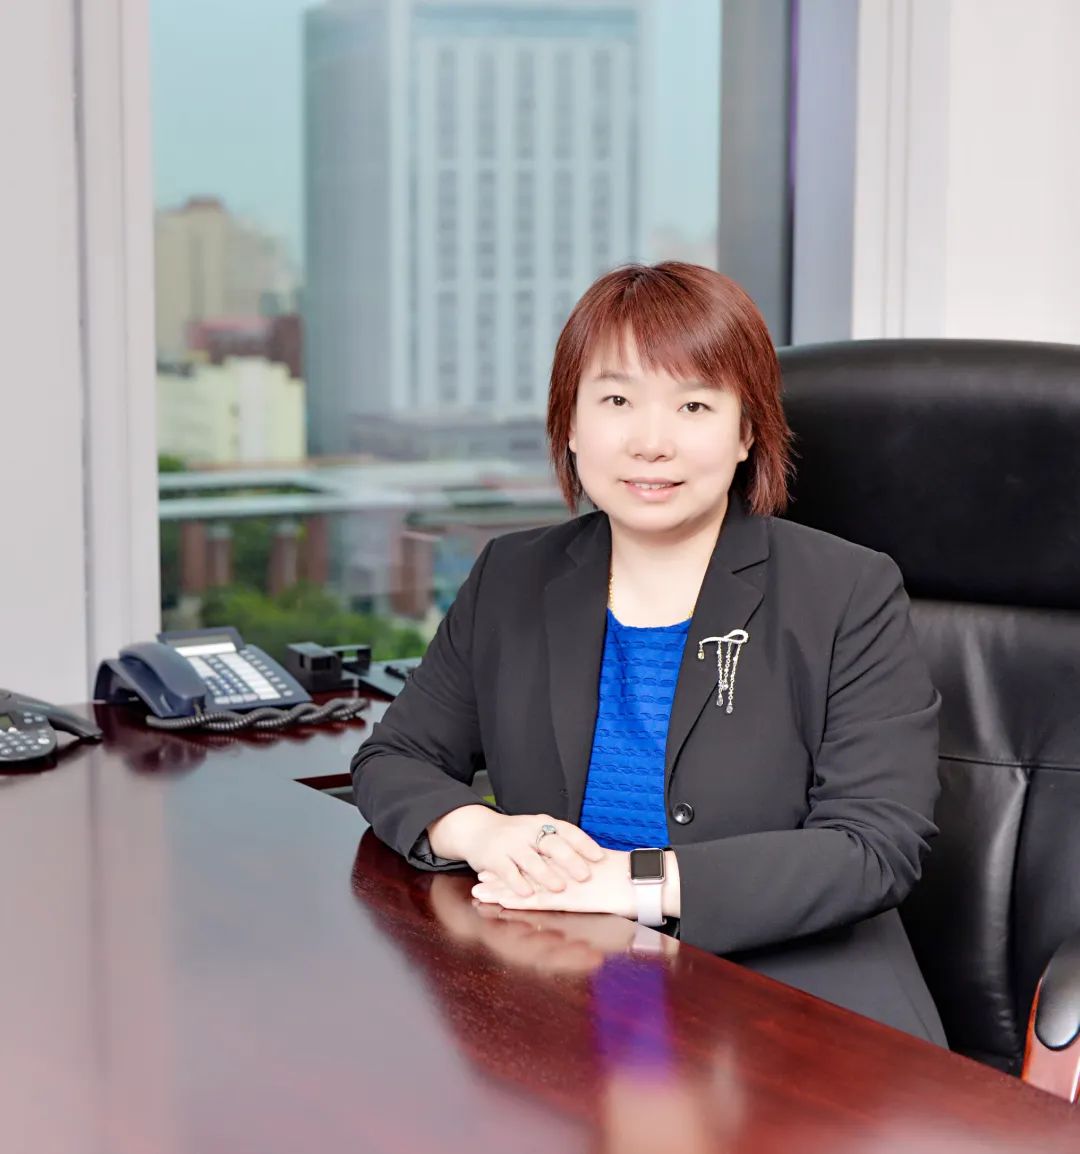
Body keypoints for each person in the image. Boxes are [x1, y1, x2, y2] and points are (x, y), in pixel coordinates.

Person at [352, 261, 946, 1045]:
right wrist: (481, 832)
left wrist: (626, 882)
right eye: (616, 401)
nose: (650, 443)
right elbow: (394, 758)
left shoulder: (846, 591)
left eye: (694, 405)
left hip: (797, 1022)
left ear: (746, 432)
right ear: (570, 424)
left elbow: (875, 848)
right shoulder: (512, 577)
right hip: (567, 1000)